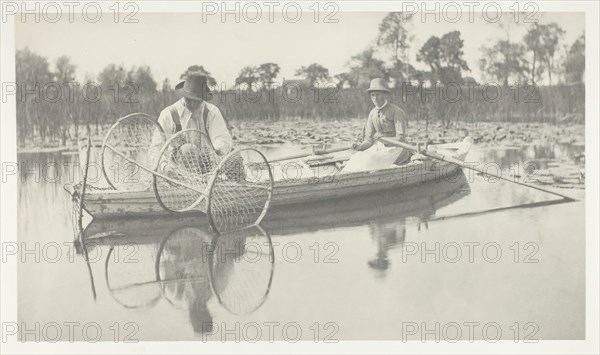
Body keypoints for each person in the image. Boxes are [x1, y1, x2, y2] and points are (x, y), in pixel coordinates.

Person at [352, 78, 410, 164]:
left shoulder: (396, 111)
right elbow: (369, 140)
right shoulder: (372, 113)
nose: (375, 98)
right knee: (356, 158)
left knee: (373, 161)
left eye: (378, 94)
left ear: (385, 95)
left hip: (397, 148)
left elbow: (401, 139)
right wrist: (359, 146)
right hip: (379, 147)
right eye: (373, 95)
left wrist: (385, 140)